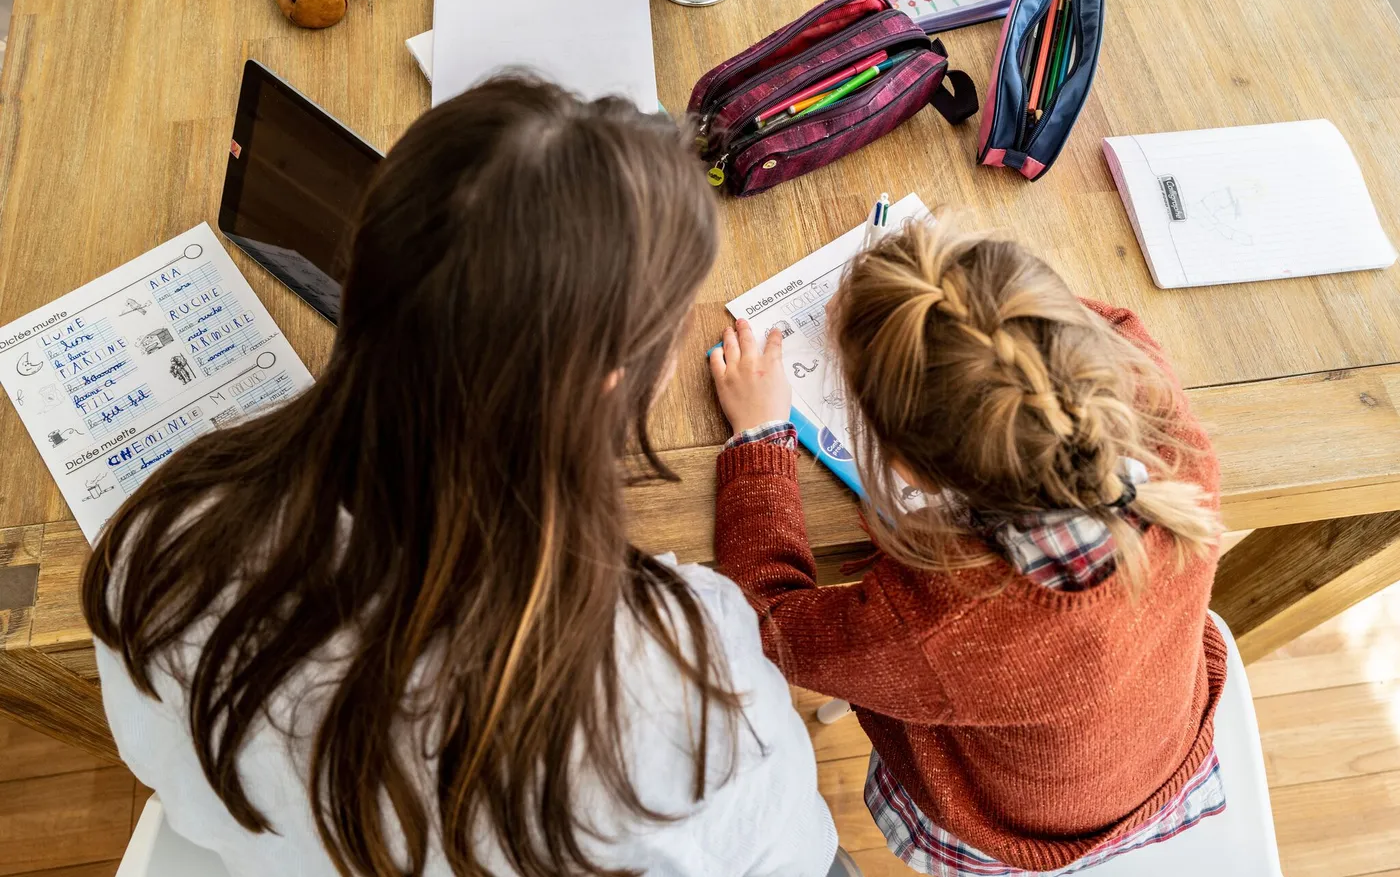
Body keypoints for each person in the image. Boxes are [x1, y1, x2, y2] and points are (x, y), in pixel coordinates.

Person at [84, 77, 844, 877]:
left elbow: (158, 759)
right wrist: (762, 437)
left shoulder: (163, 534)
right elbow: (790, 854)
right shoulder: (692, 686)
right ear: (608, 388)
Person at [707, 218, 1226, 875]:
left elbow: (771, 625)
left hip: (1010, 828)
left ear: (911, 473)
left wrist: (759, 437)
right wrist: (929, 314)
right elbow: (1105, 325)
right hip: (1167, 746)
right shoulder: (1171, 434)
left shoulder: (945, 623)